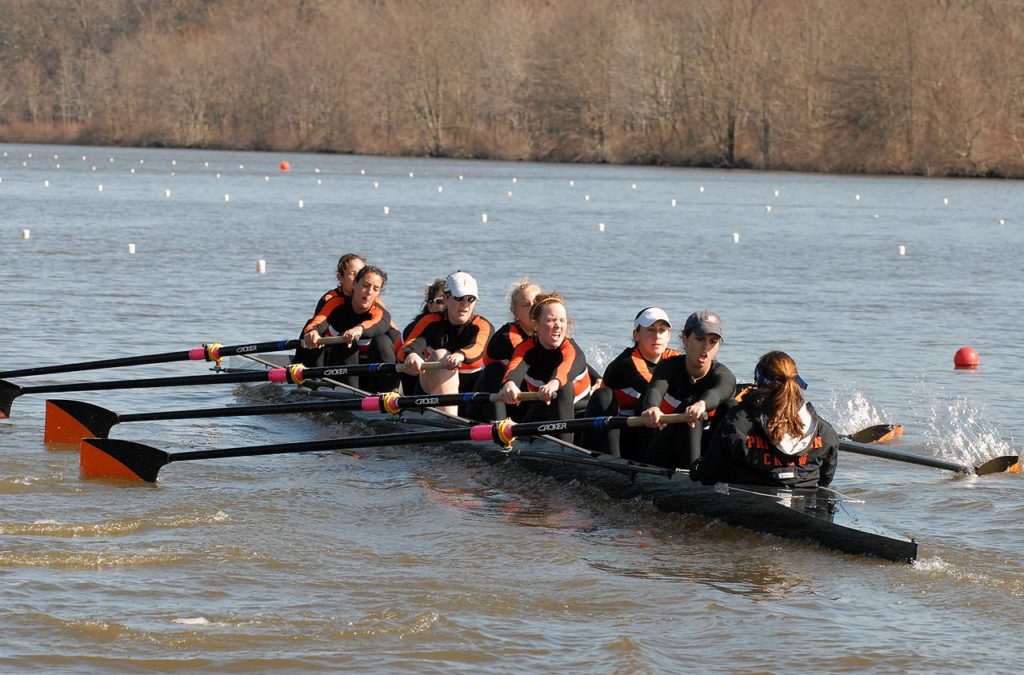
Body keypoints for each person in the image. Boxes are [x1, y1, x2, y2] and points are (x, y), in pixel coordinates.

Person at [690, 351, 839, 488]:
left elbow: (709, 476)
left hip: (748, 504)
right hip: (805, 501)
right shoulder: (825, 431)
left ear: (758, 382)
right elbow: (825, 480)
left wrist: (696, 467)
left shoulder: (737, 422)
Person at [638, 309, 736, 469]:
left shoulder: (724, 376)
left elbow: (717, 393)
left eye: (713, 341)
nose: (706, 347)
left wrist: (702, 405)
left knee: (731, 407)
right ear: (685, 339)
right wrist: (652, 408)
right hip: (663, 449)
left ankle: (717, 471)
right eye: (700, 339)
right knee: (687, 406)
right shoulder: (668, 367)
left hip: (706, 453)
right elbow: (655, 390)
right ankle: (692, 474)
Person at [581, 307, 680, 458]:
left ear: (669, 336)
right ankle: (614, 462)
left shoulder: (673, 358)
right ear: (636, 335)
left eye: (662, 330)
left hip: (636, 430)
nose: (657, 336)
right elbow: (652, 389)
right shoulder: (628, 362)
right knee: (605, 395)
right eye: (650, 330)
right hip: (604, 434)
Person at [498, 292, 592, 442]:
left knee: (564, 386)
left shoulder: (571, 349)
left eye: (562, 320)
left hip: (580, 417)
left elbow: (564, 370)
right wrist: (509, 384)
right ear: (535, 324)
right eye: (551, 320)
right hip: (544, 407)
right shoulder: (526, 348)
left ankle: (565, 452)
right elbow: (515, 367)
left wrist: (554, 383)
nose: (558, 326)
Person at [399, 271, 494, 415]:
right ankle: (449, 421)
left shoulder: (482, 325)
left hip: (470, 398)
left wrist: (461, 355)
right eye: (459, 298)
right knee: (440, 355)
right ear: (446, 298)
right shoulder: (430, 322)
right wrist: (411, 355)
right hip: (427, 394)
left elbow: (478, 348)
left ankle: (450, 422)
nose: (465, 304)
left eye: (470, 299)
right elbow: (410, 344)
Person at [299, 264, 396, 390]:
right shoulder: (336, 303)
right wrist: (312, 332)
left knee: (382, 341)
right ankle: (308, 381)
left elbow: (373, 324)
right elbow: (319, 320)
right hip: (341, 371)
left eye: (375, 289)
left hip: (372, 375)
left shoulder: (380, 313)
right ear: (355, 284)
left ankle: (390, 393)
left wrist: (359, 329)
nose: (369, 292)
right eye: (365, 286)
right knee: (344, 340)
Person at [466, 278, 541, 420]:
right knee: (495, 368)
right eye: (526, 305)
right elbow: (531, 360)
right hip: (486, 406)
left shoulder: (545, 334)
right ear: (515, 312)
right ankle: (499, 428)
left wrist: (595, 378)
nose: (533, 309)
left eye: (536, 304)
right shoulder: (507, 336)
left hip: (518, 401)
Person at [293, 253, 366, 367]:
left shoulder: (371, 299)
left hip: (357, 352)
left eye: (361, 274)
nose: (358, 279)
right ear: (340, 277)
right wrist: (313, 333)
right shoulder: (329, 299)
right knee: (311, 327)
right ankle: (304, 371)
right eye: (353, 274)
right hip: (329, 354)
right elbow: (315, 325)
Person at [398, 278, 446, 394]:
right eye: (440, 301)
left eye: (450, 299)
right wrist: (412, 355)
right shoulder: (415, 328)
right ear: (430, 306)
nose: (446, 306)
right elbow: (401, 356)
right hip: (410, 378)